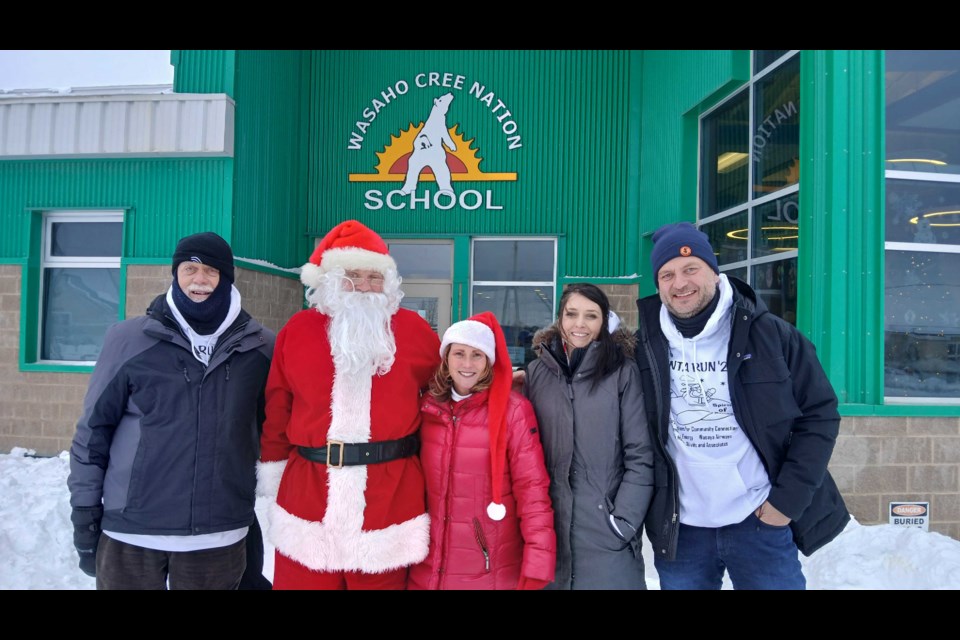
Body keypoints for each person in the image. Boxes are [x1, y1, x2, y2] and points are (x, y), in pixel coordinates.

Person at [635, 221, 850, 590]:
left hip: (759, 521)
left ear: (715, 274)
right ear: (658, 285)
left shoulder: (773, 335)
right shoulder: (644, 346)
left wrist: (786, 503)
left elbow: (820, 415)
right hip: (681, 529)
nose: (680, 283)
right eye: (667, 274)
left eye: (691, 269)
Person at [67, 231, 275, 590]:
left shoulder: (261, 347)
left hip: (218, 536)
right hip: (132, 533)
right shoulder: (129, 339)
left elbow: (274, 431)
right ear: (174, 274)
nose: (199, 280)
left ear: (227, 278)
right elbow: (92, 433)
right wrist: (85, 515)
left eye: (211, 271)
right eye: (189, 269)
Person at [258, 219, 441, 590]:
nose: (364, 286)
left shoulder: (415, 332)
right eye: (353, 276)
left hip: (390, 499)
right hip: (308, 499)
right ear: (330, 281)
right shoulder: (298, 330)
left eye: (374, 277)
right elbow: (278, 408)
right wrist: (272, 474)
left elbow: (444, 396)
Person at [408, 312, 556, 590]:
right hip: (425, 569)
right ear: (446, 358)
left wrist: (538, 561)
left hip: (487, 569)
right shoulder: (426, 407)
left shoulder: (513, 411)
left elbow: (532, 490)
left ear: (488, 362)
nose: (467, 364)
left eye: (477, 355)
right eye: (459, 353)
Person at [524, 283, 654, 589]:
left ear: (603, 322)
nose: (579, 324)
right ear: (559, 318)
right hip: (549, 533)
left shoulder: (623, 372)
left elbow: (640, 455)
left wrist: (622, 522)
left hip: (606, 535)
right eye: (572, 314)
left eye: (591, 316)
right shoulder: (535, 374)